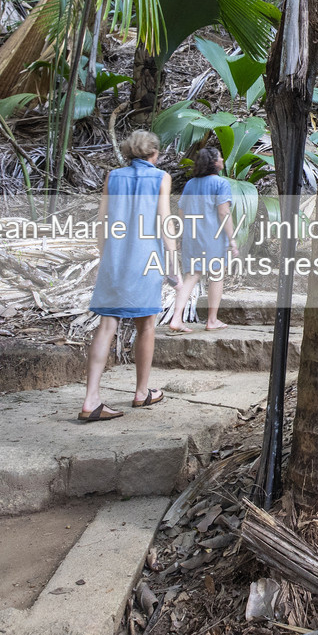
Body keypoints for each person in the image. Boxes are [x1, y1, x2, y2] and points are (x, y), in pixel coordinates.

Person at [78, 129, 180, 422]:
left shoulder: (113, 177)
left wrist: (105, 256)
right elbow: (165, 223)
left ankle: (91, 399)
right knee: (146, 326)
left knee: (106, 324)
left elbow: (102, 222)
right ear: (154, 154)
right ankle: (141, 392)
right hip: (146, 260)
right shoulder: (161, 178)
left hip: (115, 259)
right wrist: (173, 266)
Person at [168, 144, 234, 333]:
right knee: (216, 275)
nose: (222, 160)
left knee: (191, 277)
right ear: (214, 163)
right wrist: (232, 239)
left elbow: (181, 212)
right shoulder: (221, 184)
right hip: (213, 237)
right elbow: (223, 212)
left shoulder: (190, 184)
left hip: (192, 237)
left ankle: (176, 318)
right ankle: (212, 320)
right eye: (220, 157)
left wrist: (182, 236)